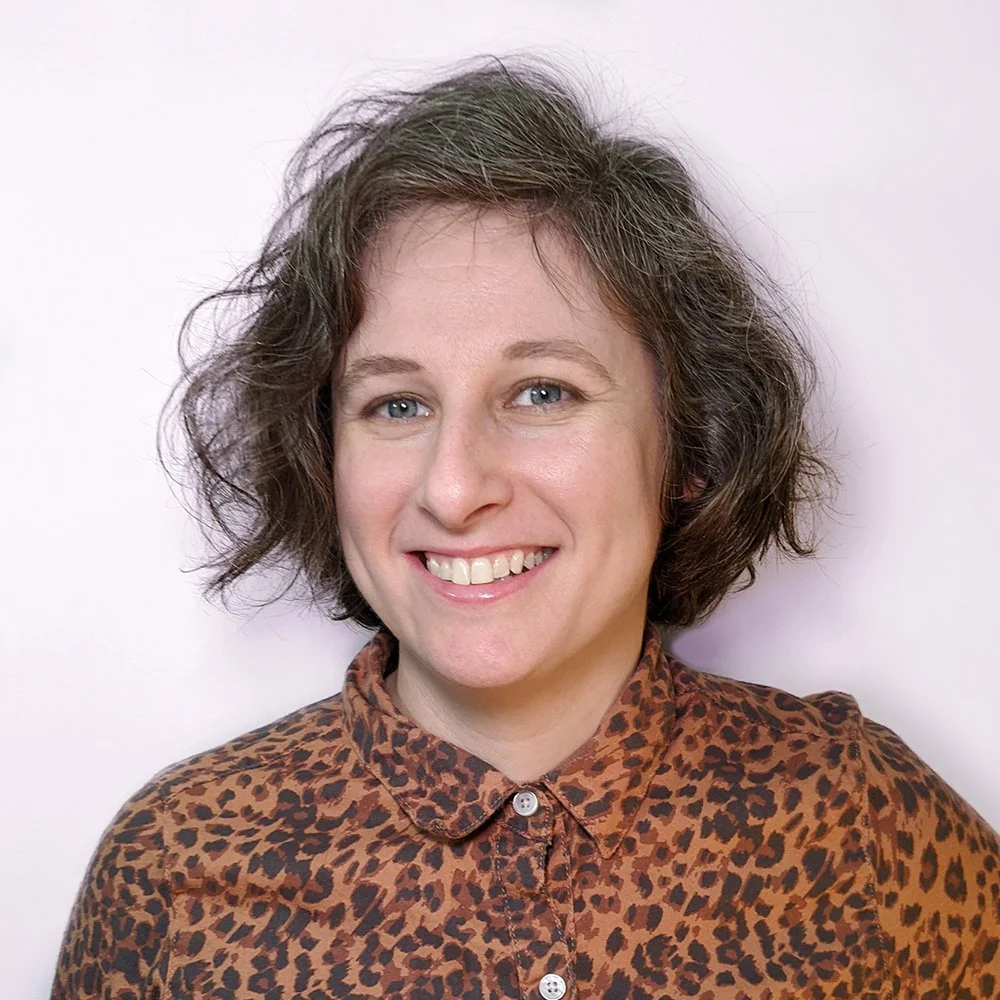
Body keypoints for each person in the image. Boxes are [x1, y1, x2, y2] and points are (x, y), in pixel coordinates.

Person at [52, 57, 999, 1000]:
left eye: (542, 392)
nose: (455, 488)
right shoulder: (174, 872)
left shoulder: (862, 829)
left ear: (687, 447)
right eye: (395, 405)